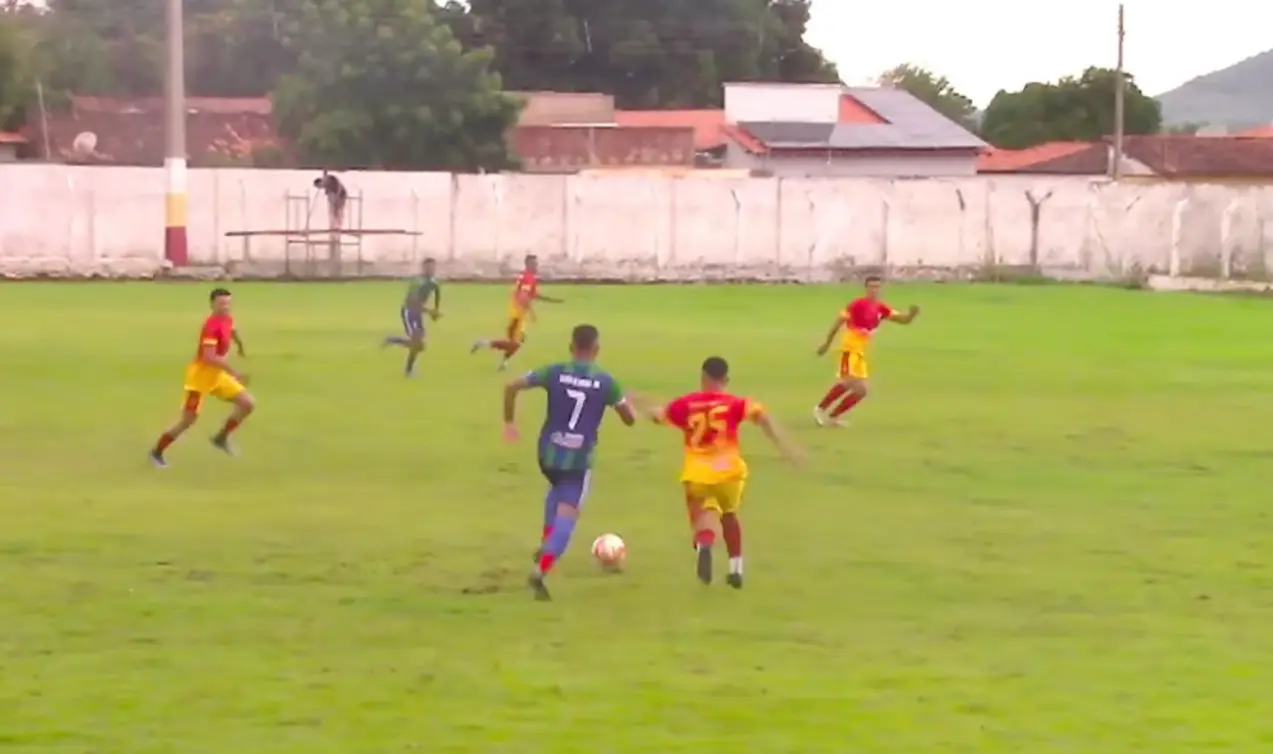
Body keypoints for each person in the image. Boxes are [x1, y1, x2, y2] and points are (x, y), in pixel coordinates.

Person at [502, 324, 635, 600]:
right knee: (568, 515)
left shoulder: (554, 371)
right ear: (596, 350)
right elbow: (629, 419)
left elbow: (511, 385)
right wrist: (623, 403)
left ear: (571, 348)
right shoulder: (605, 381)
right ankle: (541, 568)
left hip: (547, 454)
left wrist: (509, 423)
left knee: (556, 490)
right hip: (578, 459)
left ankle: (544, 544)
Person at [646, 356, 801, 589]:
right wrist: (786, 447)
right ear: (725, 379)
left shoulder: (685, 404)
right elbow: (762, 416)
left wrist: (645, 406)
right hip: (729, 471)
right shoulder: (735, 403)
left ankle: (704, 543)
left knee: (701, 515)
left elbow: (659, 416)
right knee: (729, 513)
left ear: (702, 377)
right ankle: (735, 567)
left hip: (697, 472)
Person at [149, 287, 256, 466]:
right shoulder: (210, 327)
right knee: (188, 420)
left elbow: (232, 329)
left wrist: (240, 345)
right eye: (221, 304)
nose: (225, 307)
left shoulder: (227, 319)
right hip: (200, 378)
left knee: (248, 403)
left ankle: (221, 438)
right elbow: (209, 356)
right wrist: (234, 372)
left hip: (217, 375)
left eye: (228, 303)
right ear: (212, 304)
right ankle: (156, 452)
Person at [813, 275, 919, 427]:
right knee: (852, 383)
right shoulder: (857, 304)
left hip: (860, 352)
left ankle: (833, 417)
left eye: (877, 287)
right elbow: (838, 323)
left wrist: (911, 315)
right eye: (871, 287)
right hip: (849, 348)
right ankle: (819, 410)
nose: (874, 290)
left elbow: (903, 320)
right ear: (866, 288)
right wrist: (826, 343)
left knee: (860, 391)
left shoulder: (881, 308)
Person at [471, 254, 563, 371]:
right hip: (517, 315)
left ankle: (502, 362)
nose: (537, 266)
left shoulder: (527, 277)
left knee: (518, 342)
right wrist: (531, 312)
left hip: (519, 315)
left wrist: (552, 300)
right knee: (514, 343)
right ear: (528, 265)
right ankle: (483, 343)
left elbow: (533, 294)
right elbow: (523, 297)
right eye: (535, 264)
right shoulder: (528, 278)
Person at [382, 258, 442, 377]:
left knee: (420, 346)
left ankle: (393, 340)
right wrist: (430, 311)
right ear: (423, 268)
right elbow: (412, 301)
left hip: (418, 313)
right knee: (417, 343)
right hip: (409, 312)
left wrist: (436, 311)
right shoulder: (417, 281)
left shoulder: (434, 282)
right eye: (428, 267)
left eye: (433, 267)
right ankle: (408, 371)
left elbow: (437, 295)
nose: (431, 269)